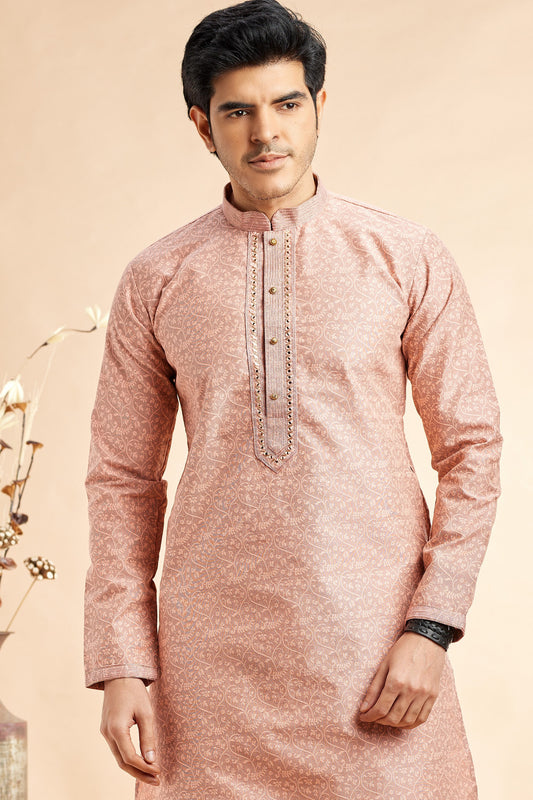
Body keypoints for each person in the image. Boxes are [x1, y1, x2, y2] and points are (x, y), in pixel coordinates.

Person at [83, 1, 503, 798]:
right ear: (202, 126)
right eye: (237, 112)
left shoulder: (403, 257)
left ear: (318, 106)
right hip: (210, 680)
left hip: (377, 660)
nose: (265, 132)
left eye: (286, 104)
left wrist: (431, 626)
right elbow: (121, 480)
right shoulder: (158, 279)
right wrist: (121, 662)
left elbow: (471, 448)